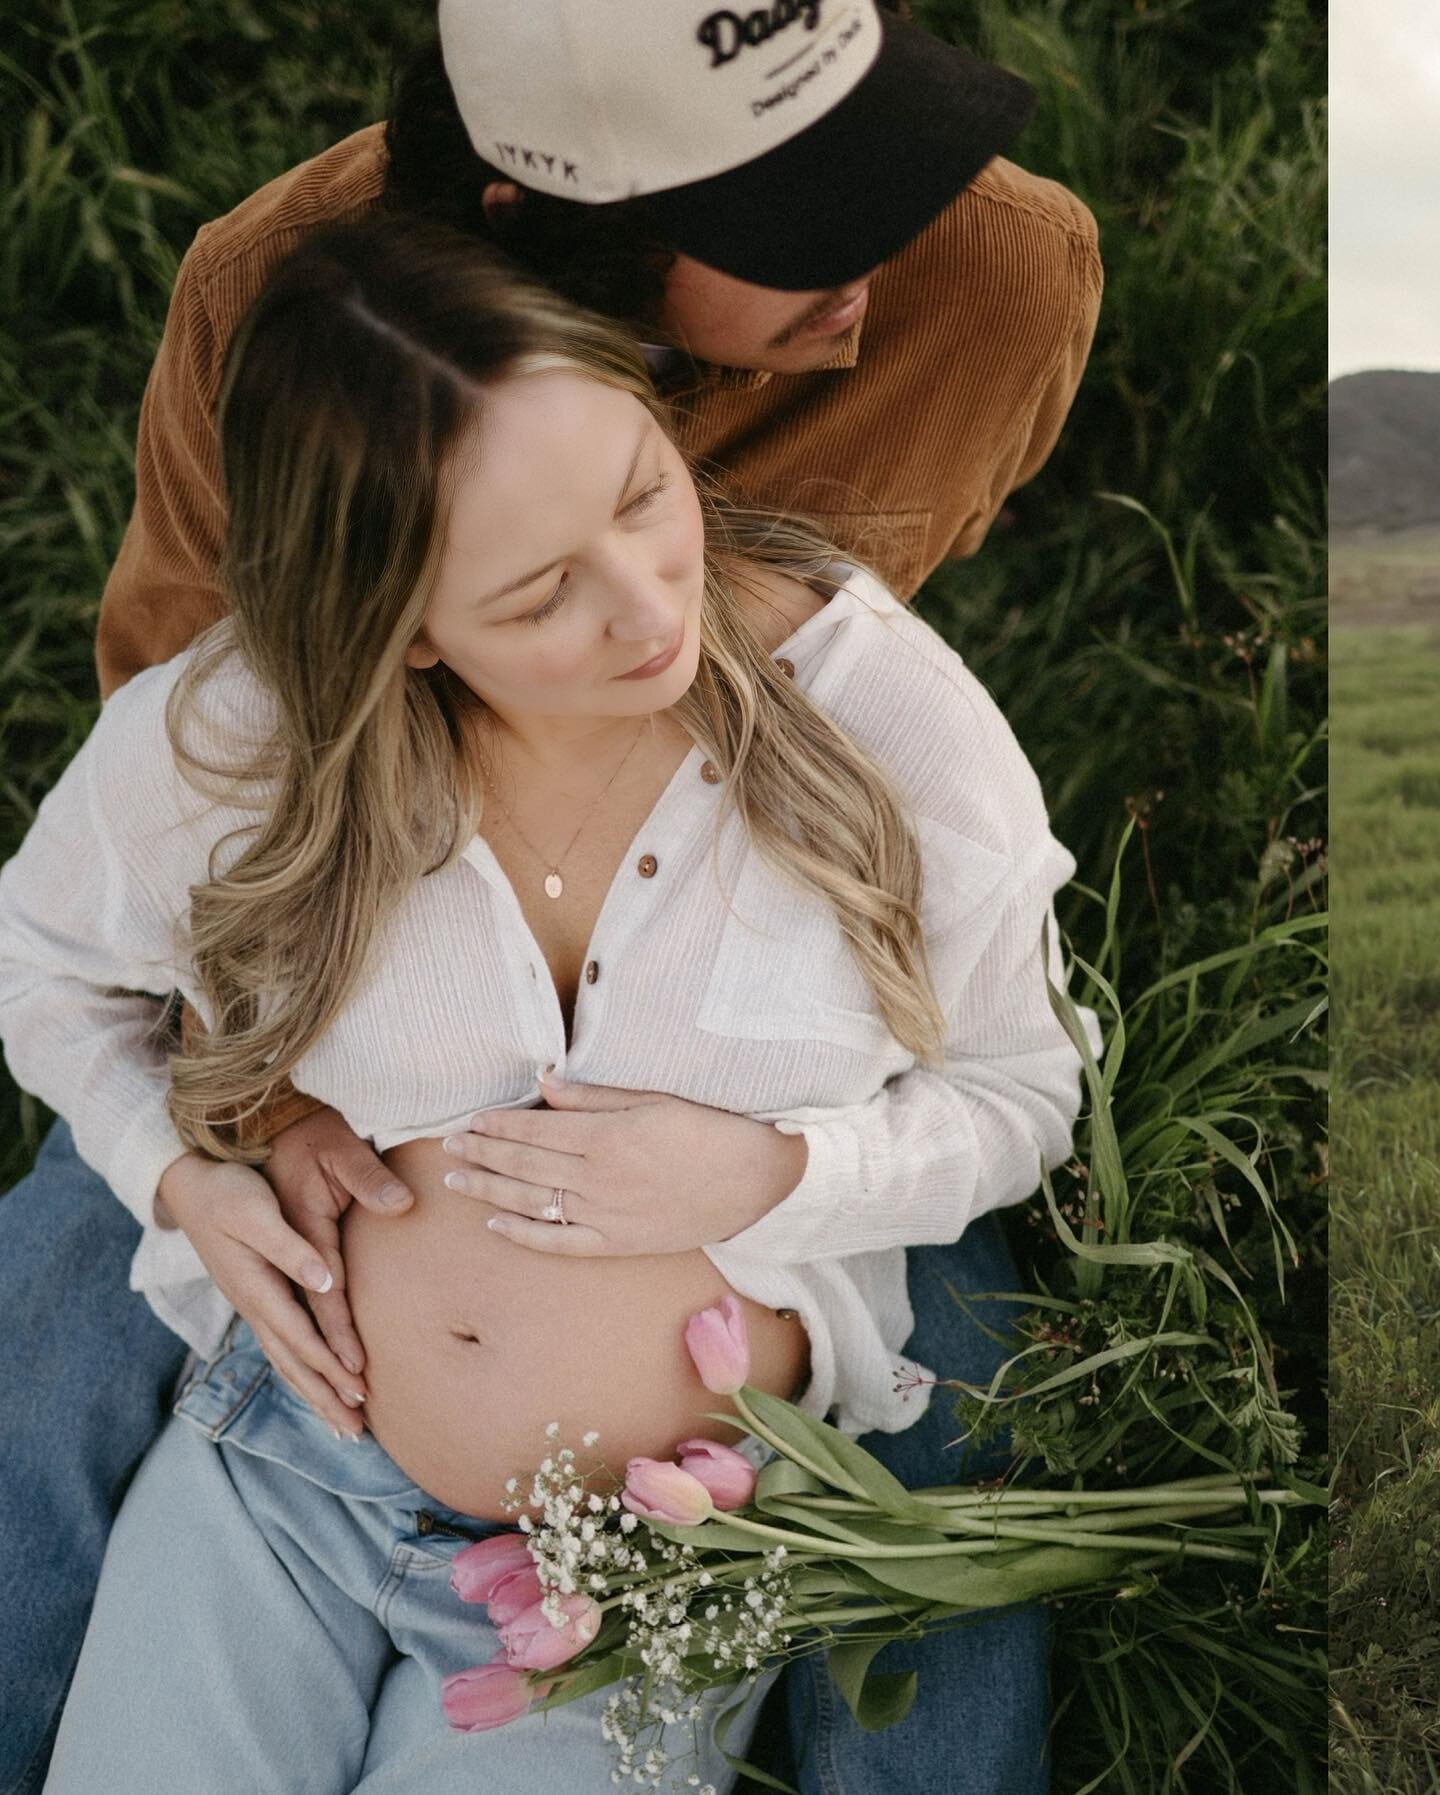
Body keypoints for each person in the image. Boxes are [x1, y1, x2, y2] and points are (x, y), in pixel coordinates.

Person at [0, 4, 1102, 1791]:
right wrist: (243, 1110)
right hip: (336, 1097)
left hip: (765, 1084)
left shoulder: (989, 274)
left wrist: (785, 1158)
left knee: (958, 1484)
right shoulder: (286, 327)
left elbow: (999, 1061)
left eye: (866, 164)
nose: (866, 277)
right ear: (550, 241)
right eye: (793, 223)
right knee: (42, 1369)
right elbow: (171, 789)